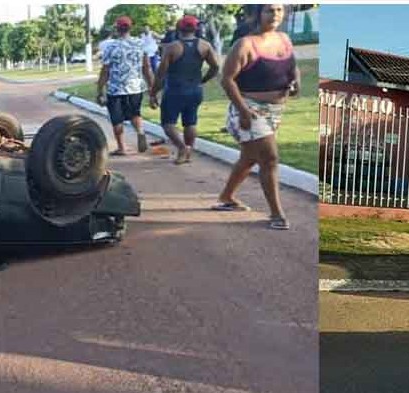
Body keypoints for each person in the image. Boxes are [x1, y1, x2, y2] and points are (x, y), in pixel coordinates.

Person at [213, 4, 299, 230]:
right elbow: (227, 79)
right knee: (269, 158)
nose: (275, 15)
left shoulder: (284, 39)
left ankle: (226, 197)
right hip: (249, 109)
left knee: (250, 158)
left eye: (279, 10)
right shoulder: (245, 44)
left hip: (275, 111)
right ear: (258, 14)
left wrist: (295, 80)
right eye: (269, 10)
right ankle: (277, 214)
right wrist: (242, 110)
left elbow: (292, 65)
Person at [149, 15, 221, 165]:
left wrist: (153, 93)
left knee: (168, 123)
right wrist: (204, 79)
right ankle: (188, 150)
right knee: (190, 122)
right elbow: (215, 67)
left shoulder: (172, 47)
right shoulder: (205, 46)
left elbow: (161, 74)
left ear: (178, 29)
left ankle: (181, 148)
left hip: (175, 90)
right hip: (195, 89)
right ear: (196, 29)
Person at [97, 16, 154, 156]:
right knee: (135, 113)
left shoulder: (111, 46)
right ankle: (140, 132)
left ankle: (122, 148)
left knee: (117, 119)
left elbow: (105, 70)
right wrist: (152, 87)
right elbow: (147, 67)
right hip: (136, 87)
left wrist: (100, 89)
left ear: (117, 29)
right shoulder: (140, 44)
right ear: (130, 28)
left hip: (116, 88)